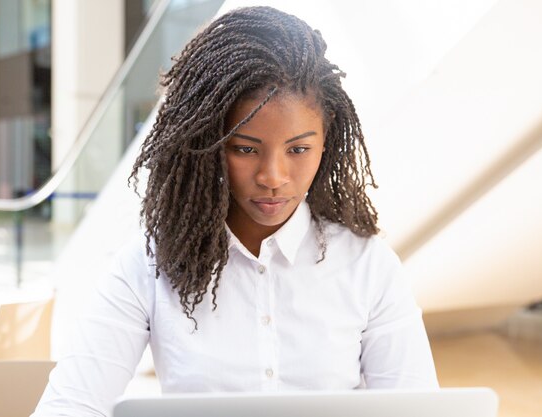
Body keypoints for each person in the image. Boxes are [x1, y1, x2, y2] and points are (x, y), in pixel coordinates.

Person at [32, 5, 438, 417]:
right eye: (245, 149)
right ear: (206, 144)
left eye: (298, 149)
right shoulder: (146, 268)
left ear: (326, 142)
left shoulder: (369, 267)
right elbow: (69, 407)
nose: (273, 177)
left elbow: (418, 411)